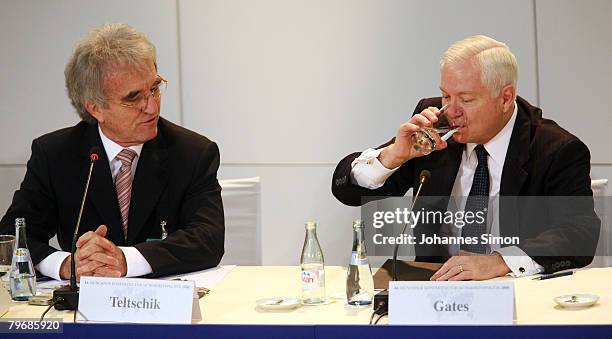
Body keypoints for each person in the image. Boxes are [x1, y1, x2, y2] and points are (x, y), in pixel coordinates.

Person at [332, 35, 599, 281]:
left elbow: (579, 234)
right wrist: (394, 155)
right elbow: (346, 191)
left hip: (516, 288)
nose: (451, 111)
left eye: (466, 99)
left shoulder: (556, 149)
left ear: (506, 97)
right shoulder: (434, 124)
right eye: (446, 96)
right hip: (438, 287)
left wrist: (501, 261)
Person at [0, 23, 224, 280]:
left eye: (154, 88)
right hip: (83, 309)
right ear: (96, 109)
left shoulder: (192, 153)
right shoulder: (55, 155)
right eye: (133, 98)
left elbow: (208, 238)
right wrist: (66, 265)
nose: (151, 107)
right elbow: (11, 236)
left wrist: (126, 260)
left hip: (165, 303)